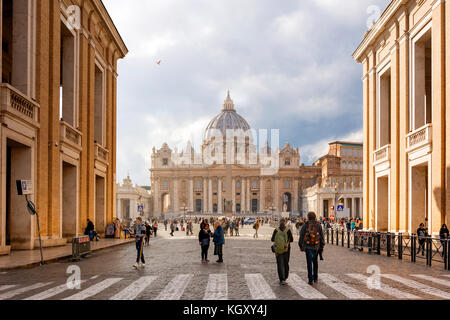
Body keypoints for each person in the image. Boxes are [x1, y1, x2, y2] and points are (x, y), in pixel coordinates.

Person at [299, 212, 325, 285]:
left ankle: (310, 279)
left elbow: (301, 236)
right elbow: (322, 236)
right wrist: (322, 246)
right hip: (316, 246)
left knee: (309, 263)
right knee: (315, 262)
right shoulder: (318, 225)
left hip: (308, 246)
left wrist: (300, 246)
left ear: (308, 217)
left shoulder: (305, 225)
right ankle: (315, 278)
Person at [271, 218, 294, 285]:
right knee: (286, 263)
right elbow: (292, 240)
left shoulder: (276, 230)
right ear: (285, 223)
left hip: (278, 249)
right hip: (286, 249)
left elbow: (272, 239)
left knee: (279, 264)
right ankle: (285, 276)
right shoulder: (288, 230)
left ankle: (281, 279)